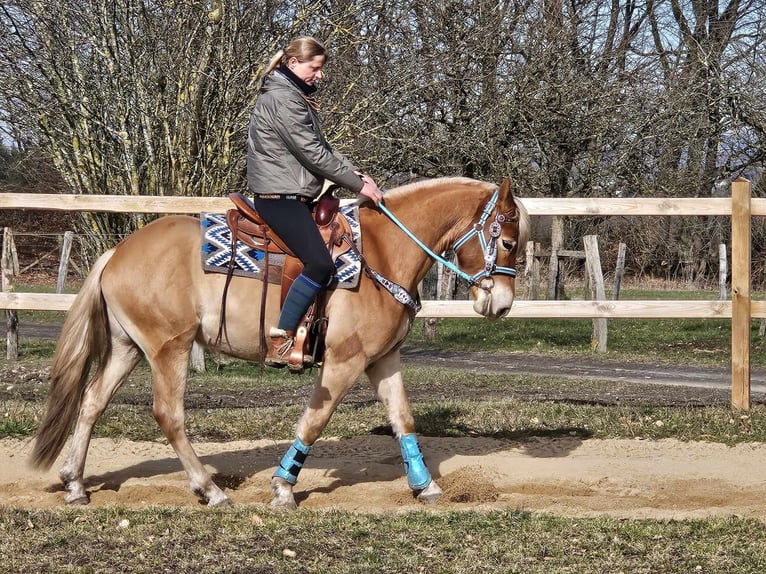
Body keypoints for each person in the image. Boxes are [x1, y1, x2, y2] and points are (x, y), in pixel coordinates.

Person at [247, 36, 383, 368]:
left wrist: (357, 176)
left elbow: (323, 148)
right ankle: (281, 337)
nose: (319, 76)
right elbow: (313, 154)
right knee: (320, 263)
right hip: (280, 198)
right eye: (315, 68)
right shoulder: (284, 100)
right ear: (293, 64)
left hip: (292, 193)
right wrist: (357, 185)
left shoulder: (292, 97)